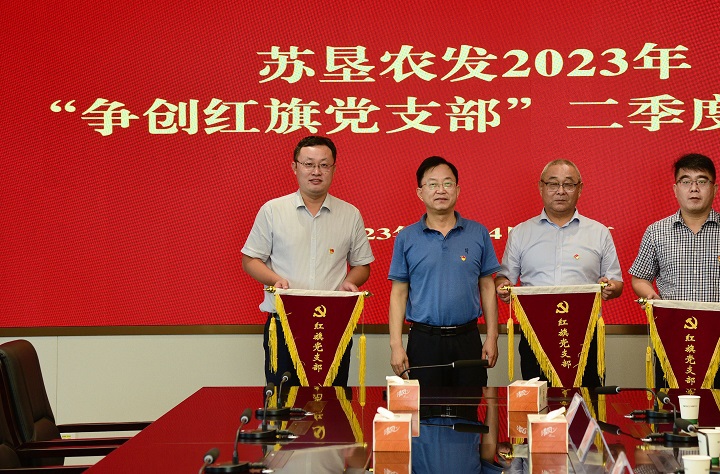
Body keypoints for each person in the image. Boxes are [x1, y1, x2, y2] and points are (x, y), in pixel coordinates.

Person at [241, 135, 374, 386]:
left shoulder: (350, 214)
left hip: (332, 326)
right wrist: (275, 279)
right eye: (308, 164)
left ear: (334, 169)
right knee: (282, 401)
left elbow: (362, 265)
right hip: (283, 324)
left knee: (333, 401)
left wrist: (350, 281)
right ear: (295, 167)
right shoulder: (273, 210)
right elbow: (250, 259)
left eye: (324, 165)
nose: (316, 172)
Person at [629, 153, 720, 387]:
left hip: (719, 337)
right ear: (675, 189)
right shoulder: (656, 232)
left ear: (715, 188)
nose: (694, 188)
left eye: (702, 181)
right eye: (686, 181)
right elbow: (639, 278)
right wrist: (650, 295)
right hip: (670, 337)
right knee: (670, 405)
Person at [495, 159, 624, 386]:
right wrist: (503, 287)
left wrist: (611, 287)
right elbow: (504, 277)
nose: (561, 191)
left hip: (585, 335)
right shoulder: (521, 233)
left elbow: (617, 283)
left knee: (587, 399)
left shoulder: (599, 232)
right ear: (541, 187)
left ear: (579, 189)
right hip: (535, 334)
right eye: (553, 184)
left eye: (569, 184)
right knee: (538, 400)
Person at [388, 156, 500, 386]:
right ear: (420, 193)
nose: (441, 190)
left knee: (470, 405)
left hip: (467, 338)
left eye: (447, 183)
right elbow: (398, 293)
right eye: (433, 184)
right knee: (425, 406)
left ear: (457, 190)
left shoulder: (478, 233)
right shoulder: (406, 238)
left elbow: (487, 287)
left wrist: (492, 336)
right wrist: (396, 345)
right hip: (423, 341)